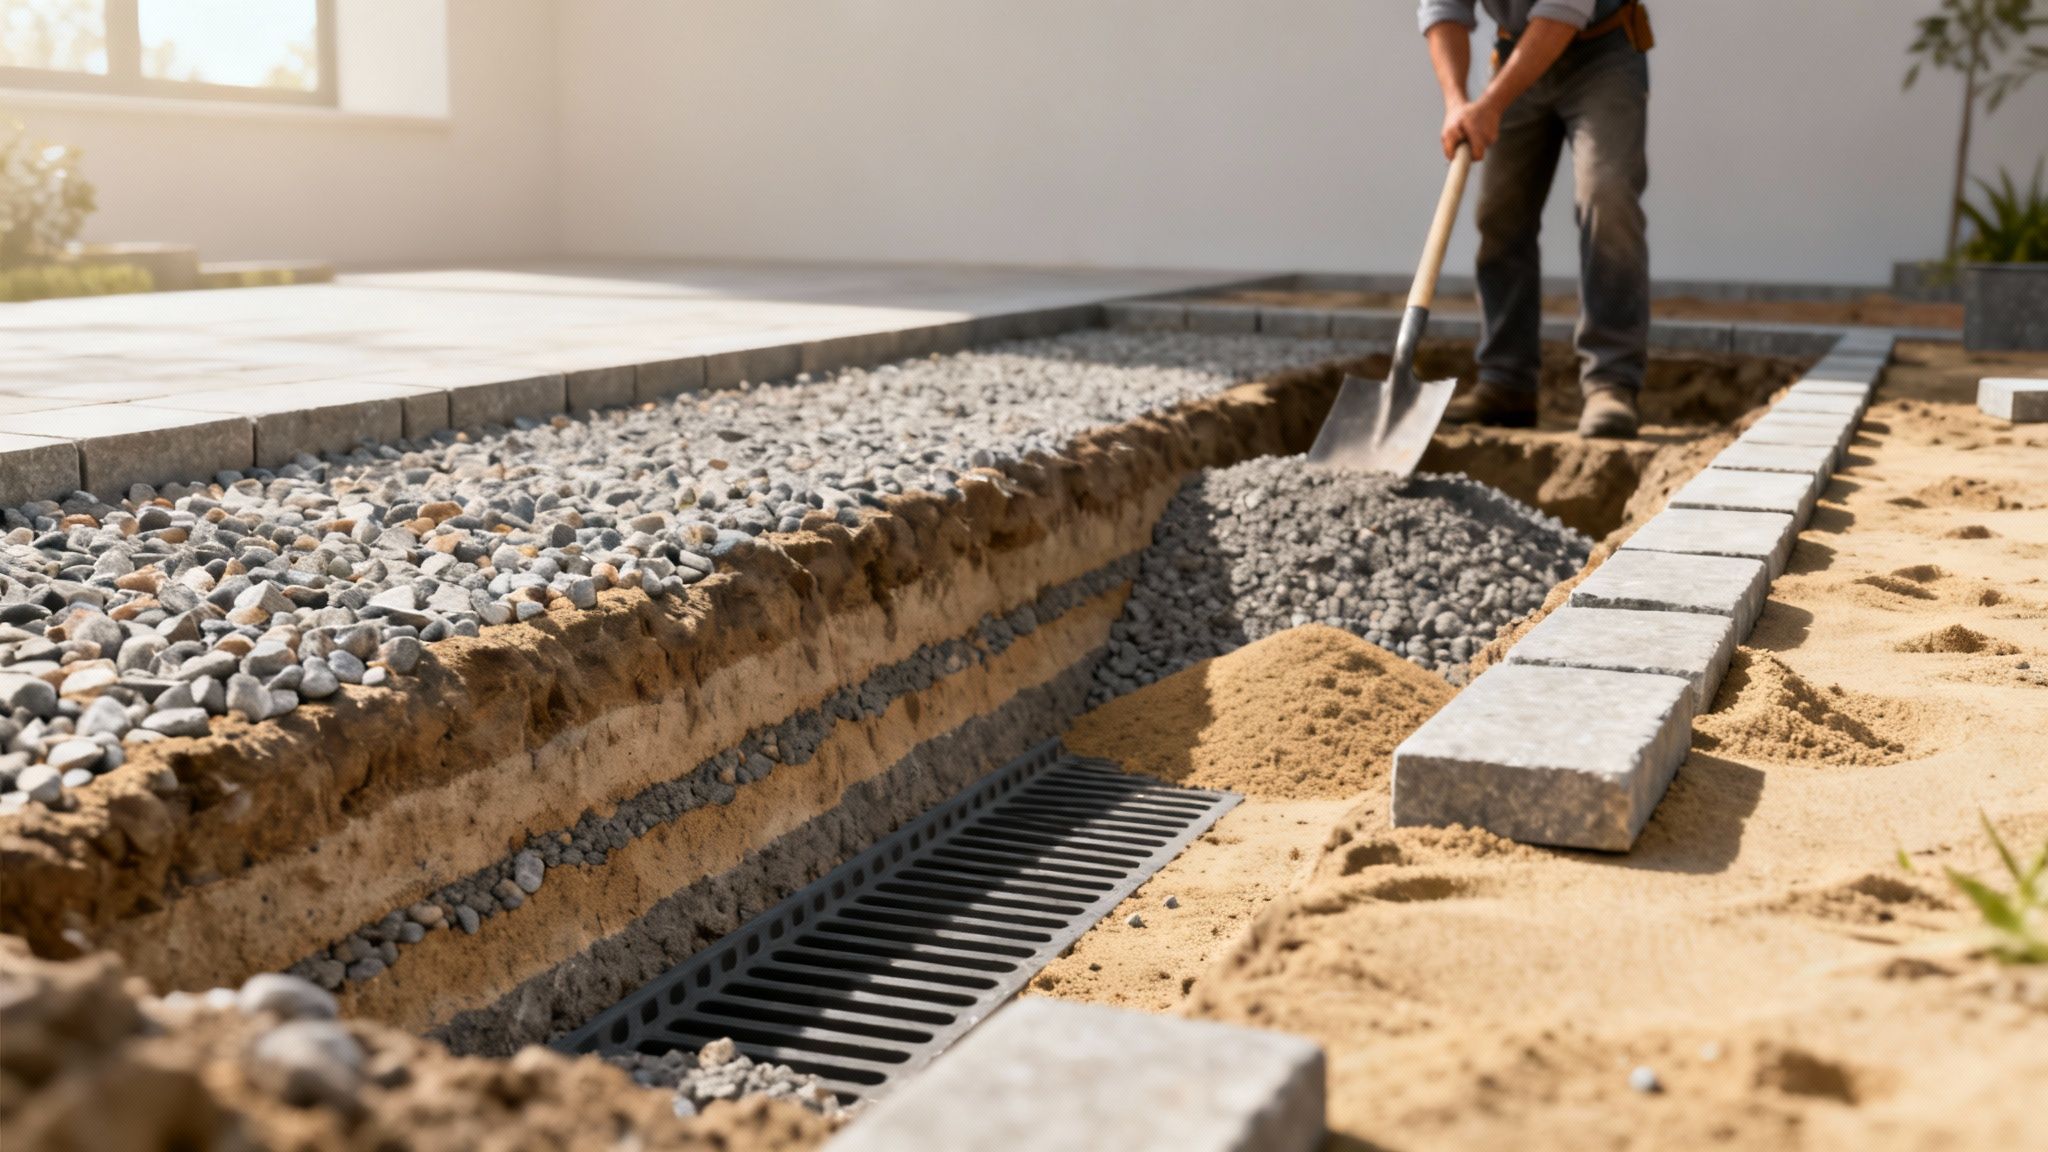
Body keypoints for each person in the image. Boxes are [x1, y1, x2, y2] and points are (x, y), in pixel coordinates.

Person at [1419, 0, 1654, 439]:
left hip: (1603, 52)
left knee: (1607, 197)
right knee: (1500, 214)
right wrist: (1456, 103)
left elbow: (1561, 10)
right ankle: (1506, 382)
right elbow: (1444, 9)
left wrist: (1490, 104)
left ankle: (1611, 382)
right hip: (1515, 53)